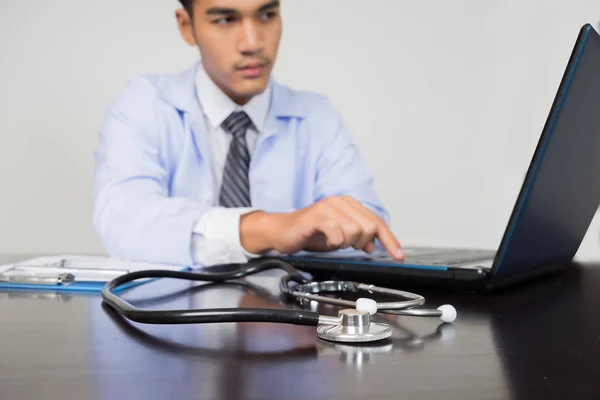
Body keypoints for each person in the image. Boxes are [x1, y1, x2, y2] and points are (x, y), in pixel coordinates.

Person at [92, 0, 405, 267]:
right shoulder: (144, 104)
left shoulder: (315, 115)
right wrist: (270, 229)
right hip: (168, 330)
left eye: (267, 15)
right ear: (187, 26)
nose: (253, 43)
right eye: (226, 20)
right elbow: (122, 219)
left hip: (291, 327)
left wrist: (337, 233)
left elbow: (368, 226)